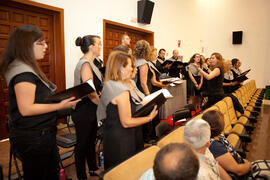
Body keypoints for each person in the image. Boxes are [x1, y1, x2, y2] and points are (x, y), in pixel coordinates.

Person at [0, 25, 80, 180]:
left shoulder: (26, 67)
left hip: (42, 134)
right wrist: (60, 105)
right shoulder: (22, 72)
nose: (46, 46)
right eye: (41, 43)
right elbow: (26, 109)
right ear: (26, 45)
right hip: (34, 138)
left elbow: (38, 98)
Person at [97, 51, 158, 170]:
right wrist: (149, 118)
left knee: (113, 171)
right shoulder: (121, 89)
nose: (133, 69)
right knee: (124, 170)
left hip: (111, 133)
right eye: (131, 66)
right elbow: (126, 122)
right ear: (122, 68)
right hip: (122, 137)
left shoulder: (110, 83)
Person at [73, 35, 103, 179]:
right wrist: (102, 106)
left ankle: (92, 168)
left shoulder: (91, 63)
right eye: (99, 44)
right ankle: (81, 175)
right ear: (91, 47)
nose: (100, 46)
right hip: (84, 111)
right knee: (82, 145)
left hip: (91, 109)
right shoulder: (85, 63)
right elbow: (90, 92)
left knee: (91, 141)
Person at [202, 110, 252, 179]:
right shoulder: (214, 145)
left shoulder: (220, 136)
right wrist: (250, 165)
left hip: (242, 165)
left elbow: (232, 151)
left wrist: (243, 160)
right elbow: (238, 170)